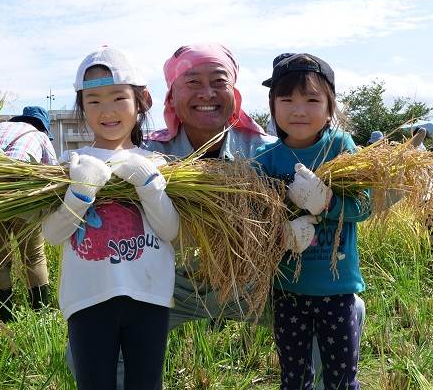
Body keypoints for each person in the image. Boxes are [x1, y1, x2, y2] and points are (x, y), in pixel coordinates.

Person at [142, 46, 371, 390]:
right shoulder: (148, 155)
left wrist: (319, 207)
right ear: (172, 95)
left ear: (234, 95)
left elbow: (365, 203)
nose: (207, 93)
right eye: (192, 82)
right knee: (112, 334)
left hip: (253, 285)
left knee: (349, 310)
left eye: (218, 82)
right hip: (175, 284)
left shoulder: (268, 149)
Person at [38, 47, 180, 390]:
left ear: (141, 100)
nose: (108, 111)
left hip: (150, 296)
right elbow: (53, 235)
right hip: (87, 299)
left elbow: (170, 230)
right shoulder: (71, 163)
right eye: (94, 101)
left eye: (118, 97)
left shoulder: (156, 163)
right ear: (82, 106)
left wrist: (148, 183)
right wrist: (80, 192)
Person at [254, 52, 370, 390]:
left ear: (330, 106)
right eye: (286, 99)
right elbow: (251, 222)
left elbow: (365, 206)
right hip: (287, 289)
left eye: (311, 99)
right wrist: (279, 234)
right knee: (294, 378)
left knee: (341, 378)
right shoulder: (265, 160)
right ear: (273, 105)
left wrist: (328, 202)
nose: (299, 109)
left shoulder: (341, 147)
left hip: (337, 289)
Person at [0, 106, 56, 322]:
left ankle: (5, 317)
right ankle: (41, 313)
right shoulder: (39, 136)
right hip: (23, 195)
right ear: (42, 125)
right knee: (33, 257)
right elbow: (52, 171)